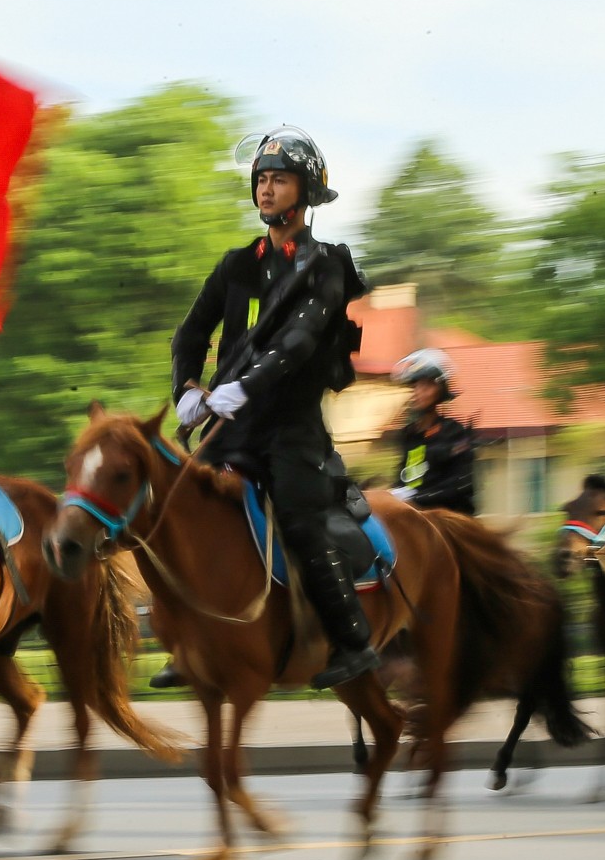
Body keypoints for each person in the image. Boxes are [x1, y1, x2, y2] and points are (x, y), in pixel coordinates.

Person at [157, 124, 376, 691]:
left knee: (302, 520)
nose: (267, 189)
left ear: (304, 192)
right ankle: (186, 638)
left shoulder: (326, 265)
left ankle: (353, 639)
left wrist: (242, 387)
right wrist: (186, 385)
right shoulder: (237, 265)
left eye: (279, 180)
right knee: (179, 506)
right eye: (262, 180)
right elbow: (190, 332)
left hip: (292, 428)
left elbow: (297, 343)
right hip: (233, 428)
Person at [388, 348, 476, 514]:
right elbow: (403, 478)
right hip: (414, 516)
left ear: (440, 390)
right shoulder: (408, 434)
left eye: (426, 386)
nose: (418, 393)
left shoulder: (454, 432)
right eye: (415, 386)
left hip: (450, 519)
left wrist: (416, 498)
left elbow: (458, 487)